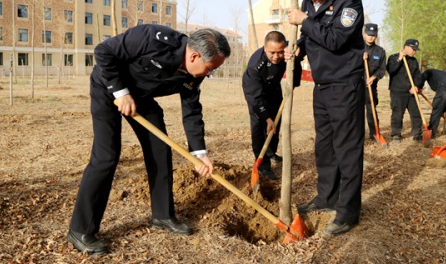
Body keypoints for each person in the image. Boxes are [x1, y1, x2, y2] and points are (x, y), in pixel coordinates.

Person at [67, 24, 231, 255]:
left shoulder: (195, 74)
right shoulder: (152, 38)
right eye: (210, 69)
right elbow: (103, 51)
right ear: (194, 56)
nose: (209, 73)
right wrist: (121, 92)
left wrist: (199, 154)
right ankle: (80, 230)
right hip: (108, 88)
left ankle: (163, 215)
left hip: (142, 97)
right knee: (107, 156)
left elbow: (192, 111)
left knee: (160, 149)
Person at [286, 0, 365, 236]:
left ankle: (348, 211)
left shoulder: (349, 1)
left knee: (347, 148)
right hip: (322, 85)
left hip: (345, 85)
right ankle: (326, 196)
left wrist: (305, 21)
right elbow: (311, 37)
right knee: (325, 146)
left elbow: (334, 39)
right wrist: (299, 47)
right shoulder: (309, 0)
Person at [242, 31, 302, 180]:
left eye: (280, 52)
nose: (276, 56)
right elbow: (254, 98)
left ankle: (270, 152)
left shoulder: (288, 51)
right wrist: (265, 117)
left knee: (276, 124)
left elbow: (300, 48)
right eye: (272, 53)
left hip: (274, 90)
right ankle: (263, 165)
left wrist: (295, 59)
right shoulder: (255, 66)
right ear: (264, 48)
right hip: (257, 94)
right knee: (260, 128)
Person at [386, 39, 423, 143]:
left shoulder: (414, 61)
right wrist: (400, 58)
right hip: (397, 92)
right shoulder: (393, 58)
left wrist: (416, 86)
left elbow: (418, 76)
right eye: (413, 49)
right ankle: (396, 134)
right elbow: (391, 70)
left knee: (416, 113)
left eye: (416, 50)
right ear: (406, 47)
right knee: (397, 113)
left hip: (411, 93)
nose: (414, 52)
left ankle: (417, 134)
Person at [420, 69, 446, 139]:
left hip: (444, 87)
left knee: (436, 110)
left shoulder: (428, 71)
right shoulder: (444, 74)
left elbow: (421, 78)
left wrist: (418, 87)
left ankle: (431, 133)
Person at [362, 23, 386, 140]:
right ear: (364, 34)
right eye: (369, 34)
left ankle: (374, 134)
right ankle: (356, 135)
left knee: (371, 110)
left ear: (376, 36)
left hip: (371, 87)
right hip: (356, 86)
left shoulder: (380, 51)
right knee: (355, 112)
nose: (371, 37)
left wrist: (373, 77)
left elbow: (382, 69)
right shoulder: (357, 48)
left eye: (373, 35)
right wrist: (359, 57)